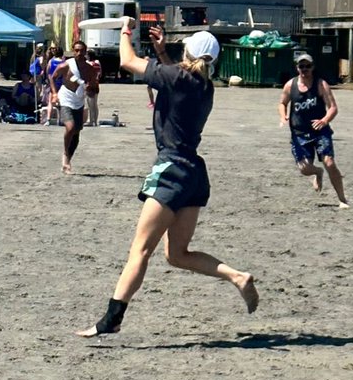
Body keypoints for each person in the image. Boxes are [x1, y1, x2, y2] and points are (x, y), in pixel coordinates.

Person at [76, 20, 258, 338]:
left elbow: (127, 61)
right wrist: (161, 53)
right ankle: (237, 276)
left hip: (171, 170)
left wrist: (125, 30)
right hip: (194, 175)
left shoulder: (177, 77)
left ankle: (111, 319)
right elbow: (177, 77)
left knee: (140, 250)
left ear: (187, 52)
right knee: (177, 254)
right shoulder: (205, 85)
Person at [278, 52, 348, 207]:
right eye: (301, 66)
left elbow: (333, 108)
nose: (305, 69)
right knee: (304, 168)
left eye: (308, 66)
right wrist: (283, 117)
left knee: (329, 162)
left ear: (313, 67)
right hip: (299, 133)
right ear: (297, 68)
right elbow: (282, 103)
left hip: (320, 131)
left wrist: (324, 120)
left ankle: (342, 199)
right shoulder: (290, 85)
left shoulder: (321, 84)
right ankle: (317, 172)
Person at [50, 40, 98, 174]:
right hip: (66, 98)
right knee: (70, 127)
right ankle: (65, 153)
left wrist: (89, 89)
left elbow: (94, 90)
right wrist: (54, 93)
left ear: (86, 51)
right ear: (73, 51)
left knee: (76, 131)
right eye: (76, 50)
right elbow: (52, 77)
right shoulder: (66, 65)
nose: (79, 53)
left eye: (82, 51)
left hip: (79, 100)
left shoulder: (90, 69)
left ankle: (68, 160)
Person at [42, 42, 63, 124]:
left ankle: (48, 119)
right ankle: (60, 120)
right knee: (61, 102)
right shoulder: (64, 62)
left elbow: (47, 71)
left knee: (50, 102)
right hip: (61, 83)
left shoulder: (51, 61)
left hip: (52, 83)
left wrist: (48, 79)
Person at [85, 50, 102, 128]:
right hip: (96, 85)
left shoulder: (88, 63)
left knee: (90, 105)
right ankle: (95, 120)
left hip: (89, 85)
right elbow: (100, 73)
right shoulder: (97, 62)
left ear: (89, 56)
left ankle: (91, 121)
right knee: (95, 104)